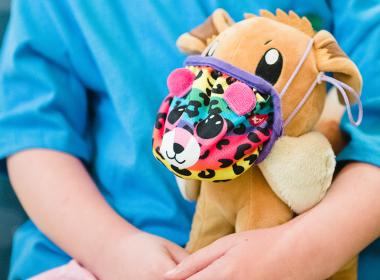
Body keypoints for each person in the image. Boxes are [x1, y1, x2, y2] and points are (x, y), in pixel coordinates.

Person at [0, 1, 379, 279]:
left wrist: (301, 252)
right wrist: (112, 249)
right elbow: (35, 137)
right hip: (92, 253)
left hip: (316, 247)